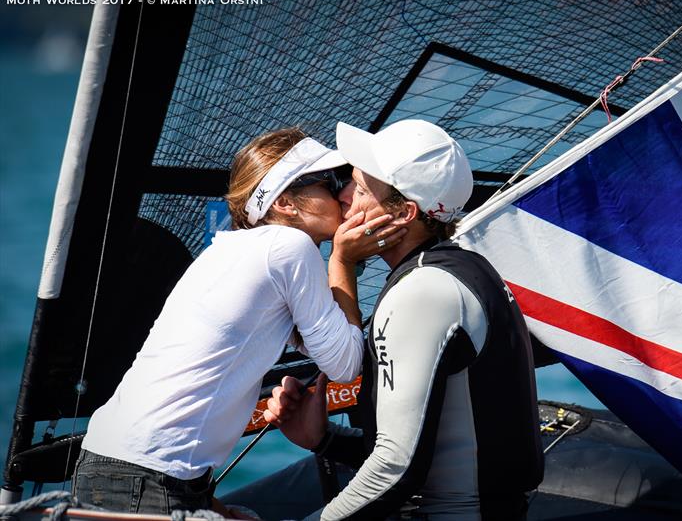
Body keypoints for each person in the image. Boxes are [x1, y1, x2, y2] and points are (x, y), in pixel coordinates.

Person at [73, 128, 406, 515]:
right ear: (284, 202)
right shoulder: (289, 247)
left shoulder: (231, 250)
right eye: (331, 181)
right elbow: (345, 364)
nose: (344, 191)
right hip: (147, 476)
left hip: (122, 465)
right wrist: (343, 260)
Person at [267, 120, 544, 520]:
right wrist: (326, 440)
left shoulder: (422, 292)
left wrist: (340, 259)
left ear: (402, 214)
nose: (342, 196)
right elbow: (435, 446)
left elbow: (396, 469)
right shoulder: (462, 267)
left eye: (360, 189)